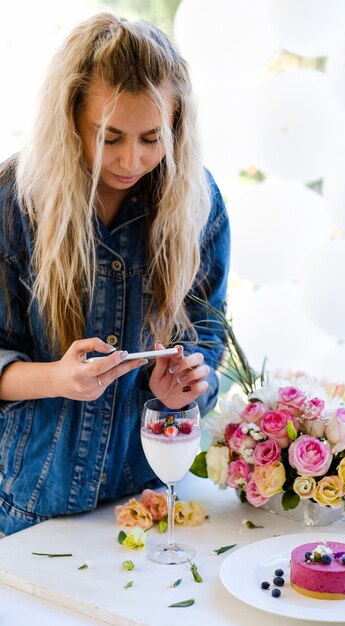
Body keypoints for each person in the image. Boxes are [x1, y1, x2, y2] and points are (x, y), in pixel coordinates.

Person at [0, 12, 230, 535]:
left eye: (152, 138)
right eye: (109, 137)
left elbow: (208, 330)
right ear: (69, 121)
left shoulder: (199, 201)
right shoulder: (13, 202)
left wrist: (191, 384)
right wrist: (57, 378)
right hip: (30, 504)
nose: (132, 159)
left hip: (153, 496)